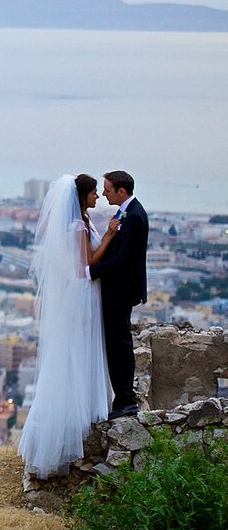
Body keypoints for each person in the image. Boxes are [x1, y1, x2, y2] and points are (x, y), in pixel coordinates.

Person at [18, 174, 117, 478]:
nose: (98, 197)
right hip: (83, 292)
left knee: (79, 349)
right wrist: (110, 236)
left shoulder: (81, 222)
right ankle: (78, 417)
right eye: (93, 194)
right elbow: (84, 265)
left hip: (81, 293)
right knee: (80, 348)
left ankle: (83, 410)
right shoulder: (77, 226)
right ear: (82, 196)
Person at [89, 170, 149, 418]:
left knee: (119, 344)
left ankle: (125, 398)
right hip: (120, 290)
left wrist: (91, 270)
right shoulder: (128, 212)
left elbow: (123, 259)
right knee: (117, 342)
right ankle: (123, 397)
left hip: (121, 291)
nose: (103, 194)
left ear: (121, 191)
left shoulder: (133, 216)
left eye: (108, 189)